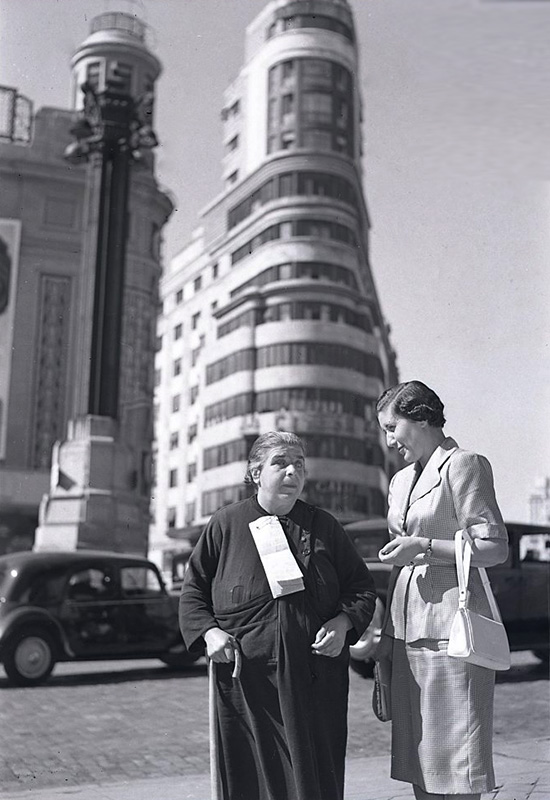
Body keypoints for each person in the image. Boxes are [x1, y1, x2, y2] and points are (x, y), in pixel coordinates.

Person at [179, 431, 377, 800]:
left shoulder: (324, 526)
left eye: (299, 464)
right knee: (249, 778)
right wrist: (209, 633)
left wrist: (343, 622)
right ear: (256, 472)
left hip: (315, 679)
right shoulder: (225, 524)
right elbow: (193, 591)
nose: (292, 471)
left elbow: (361, 588)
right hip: (246, 680)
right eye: (280, 463)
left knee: (315, 776)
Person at [376, 380, 508, 800]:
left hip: (454, 630)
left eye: (391, 426)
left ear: (420, 417)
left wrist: (426, 547)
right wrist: (384, 636)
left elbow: (494, 547)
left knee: (456, 760)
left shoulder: (464, 464)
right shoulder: (399, 482)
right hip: (406, 627)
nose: (389, 439)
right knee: (421, 760)